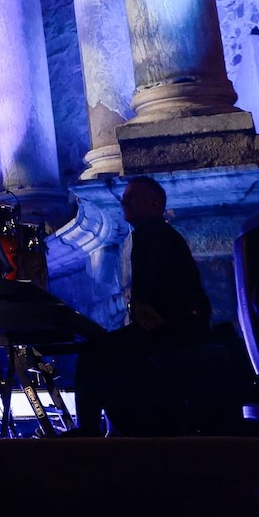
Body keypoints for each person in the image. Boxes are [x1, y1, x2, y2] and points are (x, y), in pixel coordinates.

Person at [73, 176, 214, 434]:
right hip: (168, 329)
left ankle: (89, 430)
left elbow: (162, 285)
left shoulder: (159, 237)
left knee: (94, 355)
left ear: (155, 203)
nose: (125, 201)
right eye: (126, 197)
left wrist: (145, 306)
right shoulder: (148, 236)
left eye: (133, 196)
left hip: (174, 332)